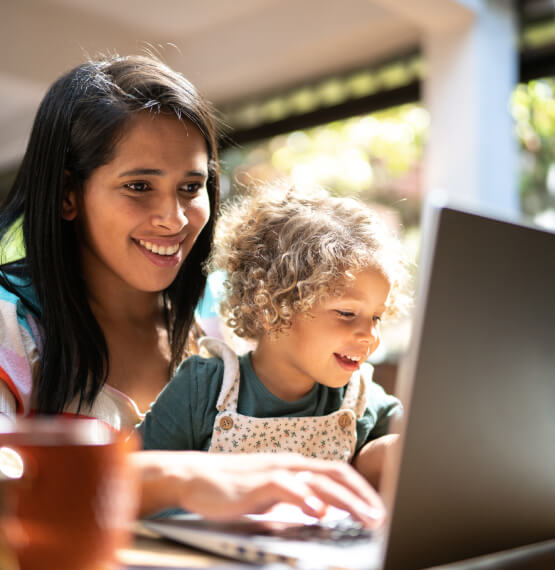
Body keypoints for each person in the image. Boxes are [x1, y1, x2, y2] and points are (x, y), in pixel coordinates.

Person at [0, 54, 384, 526]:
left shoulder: (233, 321)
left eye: (191, 186)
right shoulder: (10, 328)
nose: (175, 219)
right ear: (67, 195)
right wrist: (182, 478)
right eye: (139, 186)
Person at [139, 185, 411, 489]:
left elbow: (420, 457)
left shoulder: (361, 401)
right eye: (346, 313)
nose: (370, 336)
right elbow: (128, 479)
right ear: (272, 304)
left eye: (376, 317)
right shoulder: (202, 390)